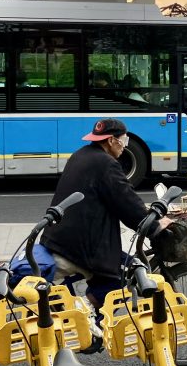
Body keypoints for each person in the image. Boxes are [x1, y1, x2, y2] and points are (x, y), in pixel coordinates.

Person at [41, 117, 172, 351]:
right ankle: (86, 313)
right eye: (124, 140)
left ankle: (83, 310)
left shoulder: (82, 154)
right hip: (81, 244)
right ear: (111, 141)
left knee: (118, 263)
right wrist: (154, 227)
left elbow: (117, 198)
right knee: (120, 278)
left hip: (60, 235)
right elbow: (126, 202)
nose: (125, 145)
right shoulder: (106, 164)